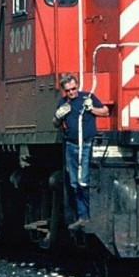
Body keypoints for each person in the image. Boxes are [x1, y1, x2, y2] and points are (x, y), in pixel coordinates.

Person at [53, 73, 109, 230]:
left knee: (84, 180)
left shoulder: (87, 97)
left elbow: (105, 111)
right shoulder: (62, 103)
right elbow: (55, 123)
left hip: (87, 145)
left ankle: (90, 215)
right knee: (74, 182)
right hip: (71, 146)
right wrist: (58, 117)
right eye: (68, 90)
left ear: (77, 85)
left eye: (73, 88)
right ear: (64, 91)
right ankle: (83, 216)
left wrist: (92, 108)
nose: (71, 92)